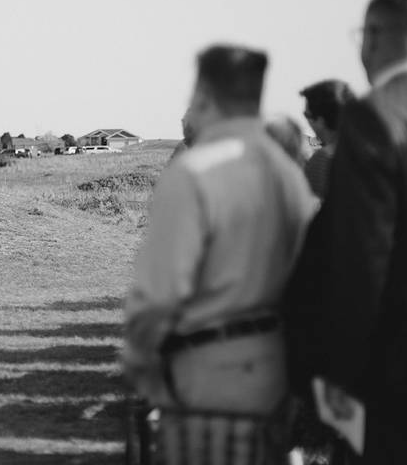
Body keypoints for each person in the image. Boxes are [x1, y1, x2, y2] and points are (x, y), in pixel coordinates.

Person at [123, 45, 316, 463]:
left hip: (207, 368)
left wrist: (141, 360)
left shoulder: (193, 173)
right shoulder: (288, 176)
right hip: (277, 364)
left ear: (205, 94)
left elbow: (160, 290)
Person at [288, 0, 407, 463]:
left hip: (394, 376)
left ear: (374, 36)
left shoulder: (375, 115)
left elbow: (360, 264)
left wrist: (335, 387)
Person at [298, 79, 355, 198]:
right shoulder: (371, 151)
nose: (307, 121)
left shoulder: (322, 160)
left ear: (320, 121)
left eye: (307, 115)